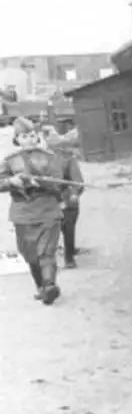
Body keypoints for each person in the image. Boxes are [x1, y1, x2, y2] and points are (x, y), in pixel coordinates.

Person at [0, 118, 64, 304]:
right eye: (23, 136)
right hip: (23, 215)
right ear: (17, 139)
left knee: (47, 252)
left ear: (37, 137)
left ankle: (50, 284)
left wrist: (41, 182)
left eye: (31, 135)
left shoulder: (49, 157)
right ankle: (41, 287)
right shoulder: (9, 161)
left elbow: (58, 182)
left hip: (47, 211)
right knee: (31, 255)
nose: (28, 139)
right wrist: (10, 182)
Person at [47, 134, 84, 269]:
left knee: (68, 226)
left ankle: (69, 256)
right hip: (48, 198)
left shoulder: (68, 158)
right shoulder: (39, 159)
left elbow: (77, 180)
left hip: (65, 196)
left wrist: (74, 193)